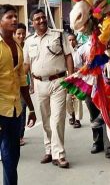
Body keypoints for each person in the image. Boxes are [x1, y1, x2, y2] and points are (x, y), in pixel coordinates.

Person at [23, 9, 74, 168]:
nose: (41, 21)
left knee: (57, 119)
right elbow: (26, 64)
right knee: (45, 119)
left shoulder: (59, 35)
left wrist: (71, 77)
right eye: (37, 19)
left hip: (58, 82)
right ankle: (49, 150)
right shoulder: (28, 41)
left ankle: (59, 154)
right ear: (32, 23)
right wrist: (17, 79)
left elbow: (68, 56)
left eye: (43, 18)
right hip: (39, 84)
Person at [0, 5, 36, 185]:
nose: (14, 20)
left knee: (12, 157)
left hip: (15, 110)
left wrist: (31, 108)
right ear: (0, 21)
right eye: (9, 17)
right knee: (7, 154)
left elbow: (22, 81)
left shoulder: (18, 47)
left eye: (15, 16)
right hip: (0, 110)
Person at [74, 40, 110, 159]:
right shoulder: (82, 49)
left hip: (106, 86)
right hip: (89, 85)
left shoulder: (107, 45)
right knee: (94, 116)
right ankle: (97, 142)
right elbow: (78, 66)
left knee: (106, 116)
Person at [14, 23, 28, 146]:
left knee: (23, 108)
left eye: (23, 33)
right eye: (19, 33)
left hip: (24, 83)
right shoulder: (10, 46)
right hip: (11, 85)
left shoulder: (27, 46)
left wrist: (32, 84)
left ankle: (20, 135)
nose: (21, 36)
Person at [66, 33, 83, 129]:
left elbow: (84, 64)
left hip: (78, 79)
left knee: (78, 99)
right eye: (69, 40)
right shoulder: (64, 53)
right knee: (67, 99)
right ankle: (71, 114)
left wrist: (79, 70)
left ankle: (77, 119)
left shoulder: (80, 51)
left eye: (73, 40)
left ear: (76, 41)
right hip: (67, 79)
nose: (71, 42)